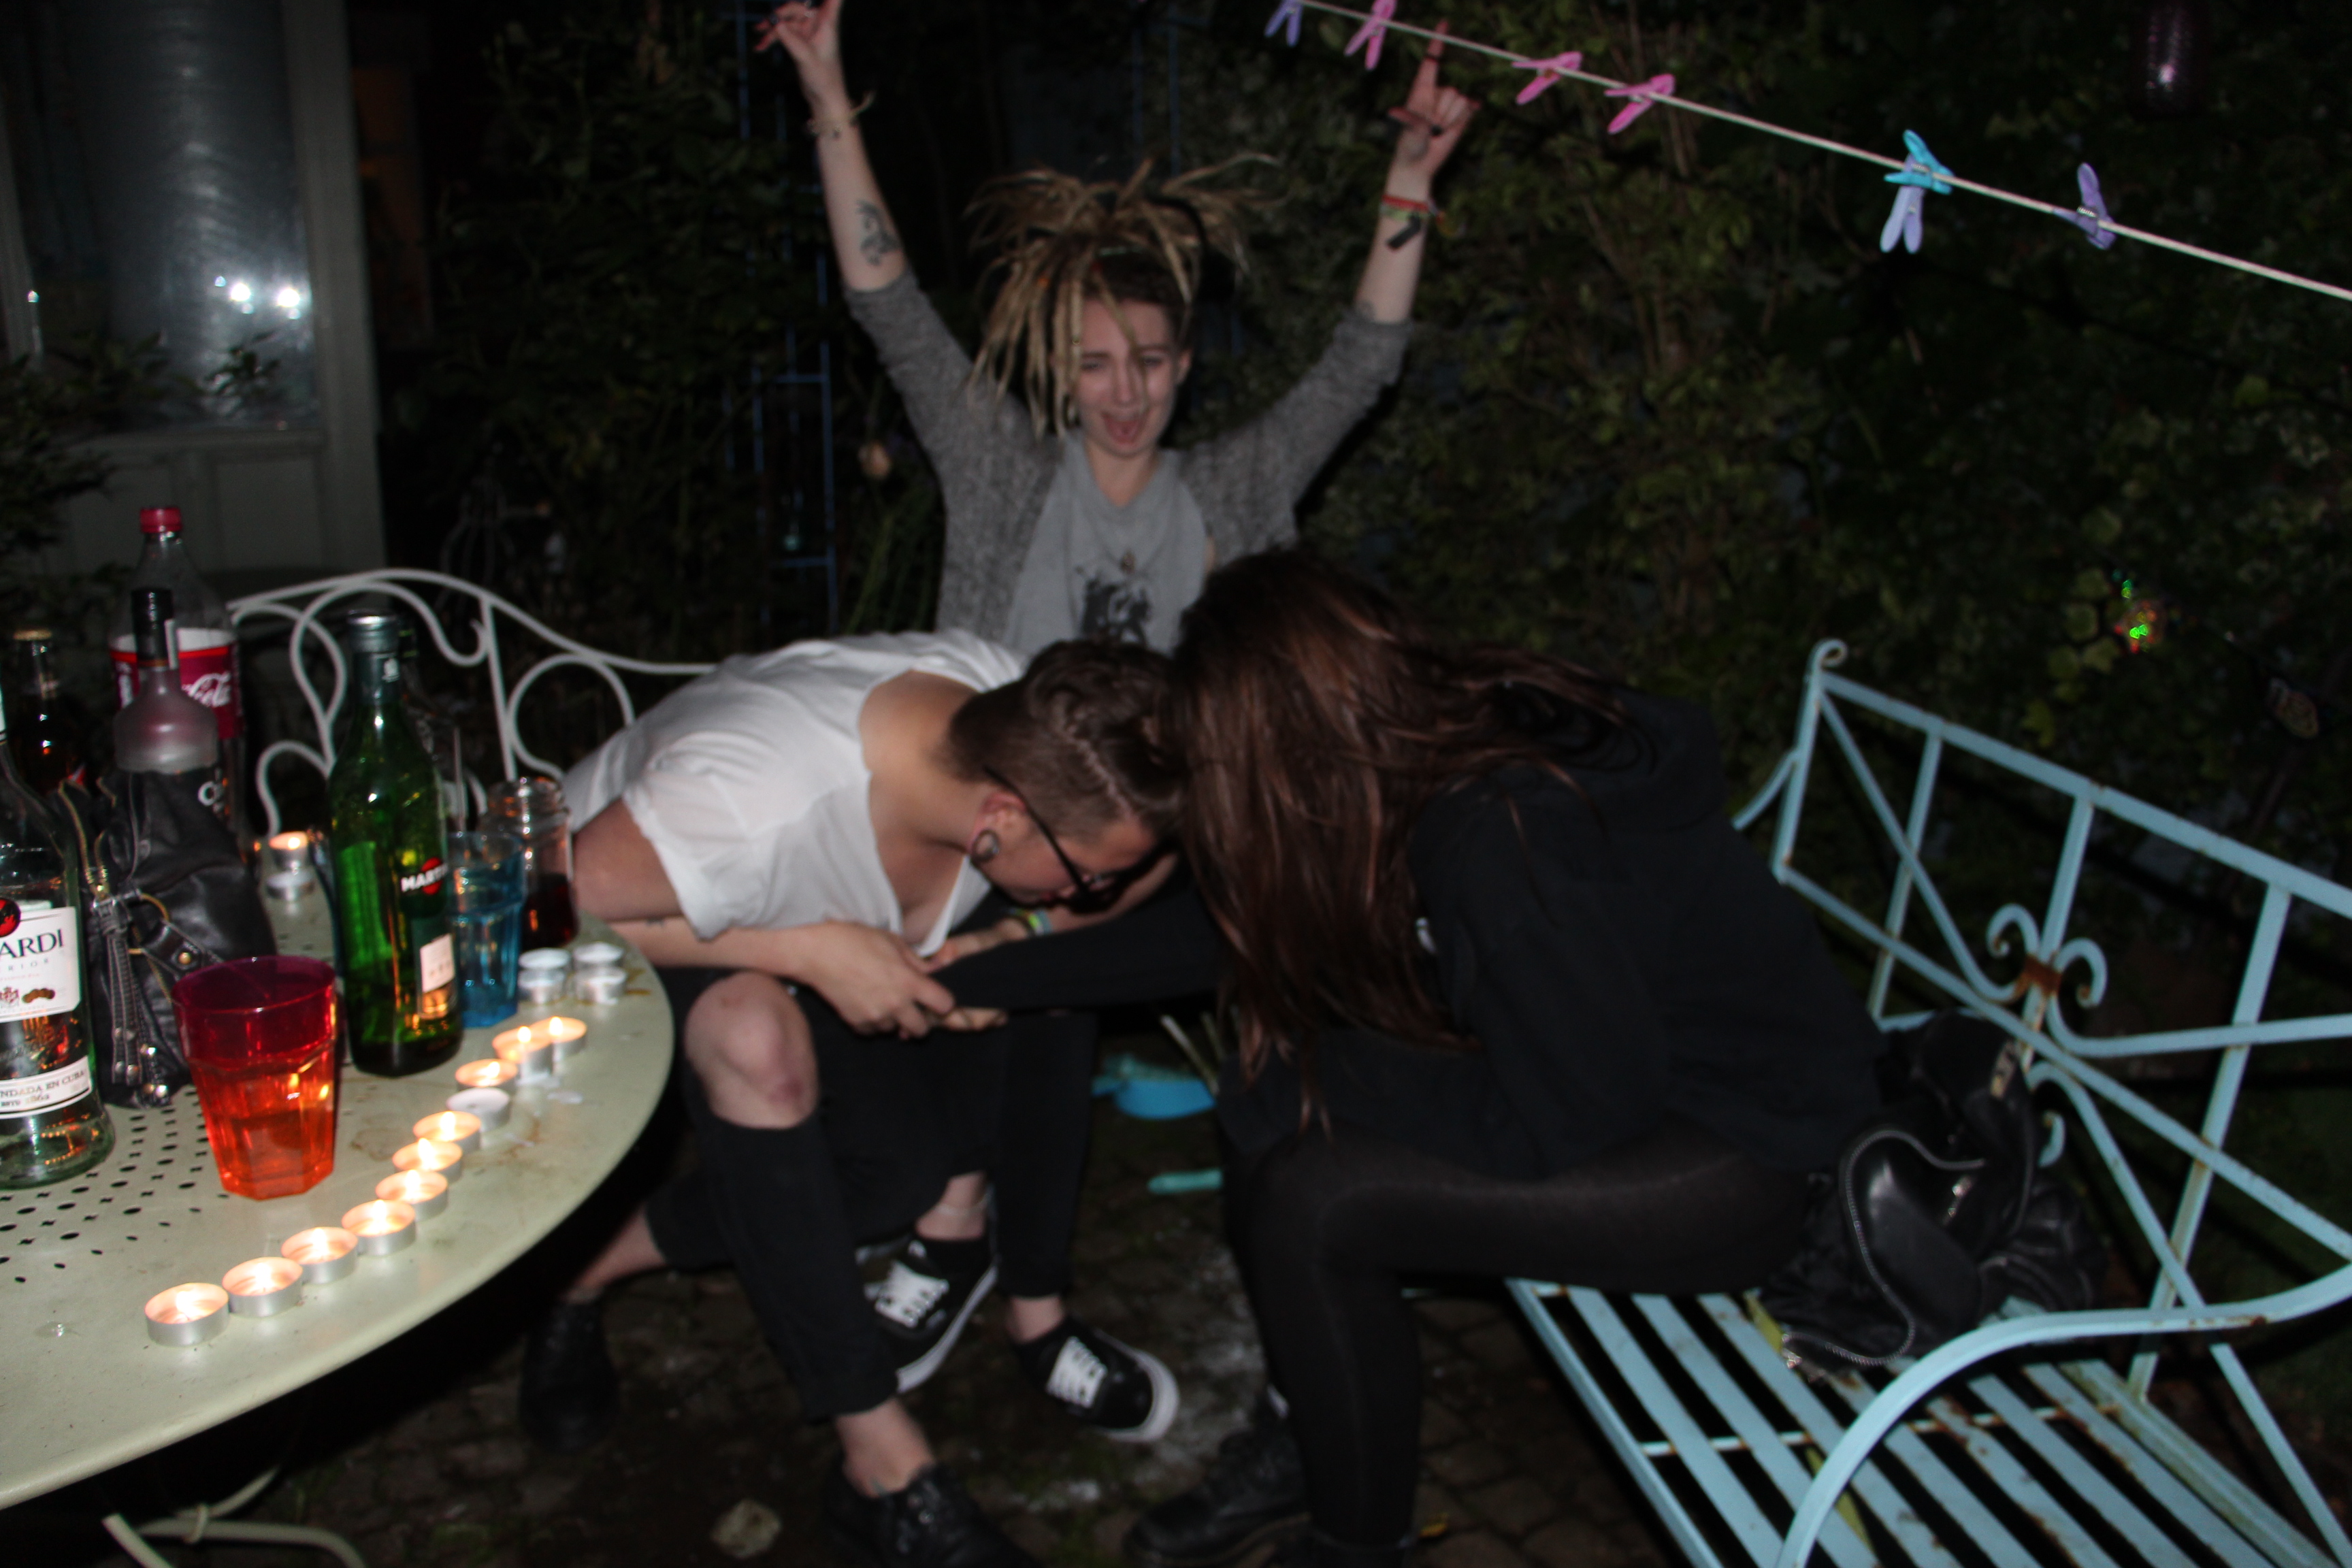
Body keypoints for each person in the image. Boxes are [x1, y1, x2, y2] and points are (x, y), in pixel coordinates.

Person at [1123, 553, 1886, 1568]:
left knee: (1319, 1194)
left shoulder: (1495, 833)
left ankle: (1359, 1548)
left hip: (1759, 1155)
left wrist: (1344, 1077)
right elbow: (1209, 944)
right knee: (1268, 1092)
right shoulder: (1434, 739)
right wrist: (995, 969)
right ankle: (1312, 1425)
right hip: (1647, 1082)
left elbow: (1584, 1112)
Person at [520, 630, 1182, 1567]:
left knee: (889, 1179)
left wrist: (1027, 925)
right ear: (1001, 816)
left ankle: (581, 1269)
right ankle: (885, 1467)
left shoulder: (1028, 715)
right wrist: (804, 950)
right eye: (1089, 877)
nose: (1102, 892)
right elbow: (542, 908)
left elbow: (1141, 870)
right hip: (635, 930)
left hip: (811, 907)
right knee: (755, 1039)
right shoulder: (748, 799)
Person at [764, 0, 1477, 655]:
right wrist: (827, 97)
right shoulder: (1001, 470)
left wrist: (1409, 185)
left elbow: (1360, 366)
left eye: (1150, 361)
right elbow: (892, 311)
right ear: (1058, 366)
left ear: (1185, 362)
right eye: (1094, 364)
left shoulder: (1237, 487)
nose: (1127, 394)